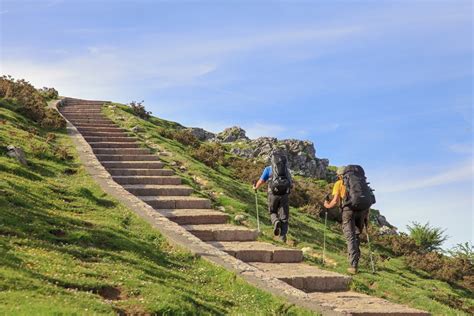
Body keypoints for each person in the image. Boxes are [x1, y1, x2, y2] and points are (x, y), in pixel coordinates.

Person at [324, 166, 369, 274]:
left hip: (348, 211)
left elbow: (335, 201)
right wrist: (366, 215)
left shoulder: (339, 184)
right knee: (356, 236)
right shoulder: (361, 183)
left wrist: (327, 205)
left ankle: (353, 265)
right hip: (362, 210)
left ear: (340, 175)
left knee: (350, 237)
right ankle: (355, 261)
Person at [253, 151, 292, 243]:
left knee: (272, 211)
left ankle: (275, 222)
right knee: (284, 216)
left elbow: (261, 181)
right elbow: (291, 184)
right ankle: (283, 236)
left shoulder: (268, 169)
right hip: (284, 195)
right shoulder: (287, 170)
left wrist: (255, 187)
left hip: (273, 194)